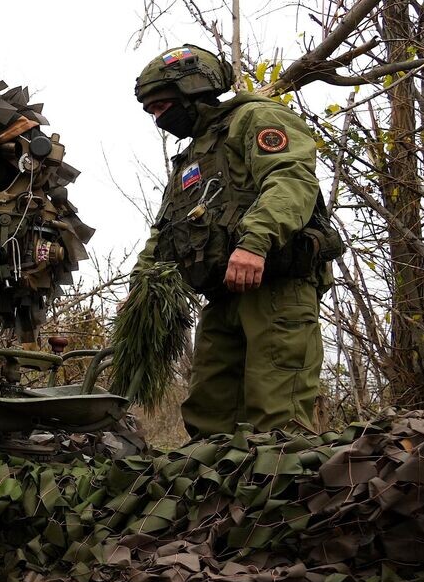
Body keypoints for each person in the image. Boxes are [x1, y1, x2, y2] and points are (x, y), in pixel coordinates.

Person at [132, 44, 342, 437]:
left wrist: (254, 244)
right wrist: (141, 288)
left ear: (193, 89)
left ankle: (285, 497)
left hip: (276, 290)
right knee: (209, 421)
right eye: (151, 111)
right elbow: (166, 231)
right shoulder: (193, 156)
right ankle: (215, 498)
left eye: (161, 106)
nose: (158, 118)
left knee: (278, 425)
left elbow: (290, 182)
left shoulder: (255, 118)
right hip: (221, 296)